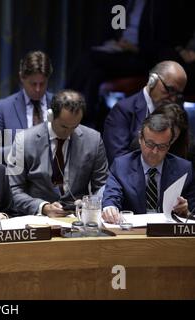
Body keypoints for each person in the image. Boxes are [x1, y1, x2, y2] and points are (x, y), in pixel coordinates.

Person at [67, 0, 185, 129]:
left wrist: (135, 48)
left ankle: (68, 108)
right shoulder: (127, 3)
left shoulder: (160, 6)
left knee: (89, 58)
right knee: (95, 74)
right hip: (122, 52)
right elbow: (116, 29)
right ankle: (87, 120)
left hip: (142, 57)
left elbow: (163, 44)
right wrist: (116, 41)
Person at [7, 90, 108, 217]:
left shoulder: (93, 139)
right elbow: (13, 189)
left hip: (77, 216)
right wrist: (42, 207)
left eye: (75, 126)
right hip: (39, 218)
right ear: (50, 116)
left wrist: (90, 203)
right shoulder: (24, 140)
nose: (69, 132)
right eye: (64, 127)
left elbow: (102, 185)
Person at [102, 114, 195, 224]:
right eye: (150, 144)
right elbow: (111, 196)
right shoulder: (121, 165)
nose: (155, 151)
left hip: (169, 234)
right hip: (133, 233)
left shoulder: (183, 168)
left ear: (169, 145)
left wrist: (186, 211)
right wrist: (110, 208)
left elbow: (192, 210)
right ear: (140, 139)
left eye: (162, 146)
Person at [103, 61, 187, 165]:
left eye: (177, 94)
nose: (173, 98)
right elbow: (118, 159)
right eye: (169, 89)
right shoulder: (123, 110)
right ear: (153, 80)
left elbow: (183, 151)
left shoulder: (176, 110)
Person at [0, 51, 53, 162]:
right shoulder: (3, 108)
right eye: (33, 84)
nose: (38, 89)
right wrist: (20, 151)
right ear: (22, 78)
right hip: (16, 175)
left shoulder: (59, 106)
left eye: (42, 84)